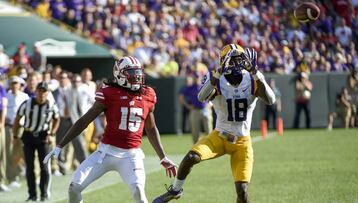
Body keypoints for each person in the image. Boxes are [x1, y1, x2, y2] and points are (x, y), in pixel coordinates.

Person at [43, 56, 177, 203]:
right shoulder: (109, 93)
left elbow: (151, 128)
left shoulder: (148, 94)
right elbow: (84, 121)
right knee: (74, 187)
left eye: (138, 72)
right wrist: (60, 144)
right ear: (119, 74)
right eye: (131, 72)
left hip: (131, 156)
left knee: (139, 192)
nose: (137, 76)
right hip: (105, 153)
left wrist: (163, 157)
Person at [153, 44, 276, 203]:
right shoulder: (216, 79)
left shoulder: (252, 78)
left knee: (242, 192)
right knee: (191, 156)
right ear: (223, 62)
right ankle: (175, 190)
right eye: (231, 60)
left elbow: (270, 100)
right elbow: (201, 97)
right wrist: (217, 74)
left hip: (242, 142)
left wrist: (256, 73)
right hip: (219, 136)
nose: (235, 63)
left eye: (238, 59)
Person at [13, 82, 60, 201]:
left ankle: (44, 193)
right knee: (30, 167)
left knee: (44, 166)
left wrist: (52, 133)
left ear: (48, 93)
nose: (42, 93)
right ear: (36, 91)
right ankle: (32, 195)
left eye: (44, 91)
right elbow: (17, 119)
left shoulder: (51, 105)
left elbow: (57, 119)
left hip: (43, 137)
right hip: (28, 135)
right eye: (40, 90)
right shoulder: (27, 103)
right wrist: (15, 136)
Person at [179, 75, 213, 143]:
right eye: (195, 76)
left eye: (198, 76)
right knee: (195, 132)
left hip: (205, 109)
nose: (197, 78)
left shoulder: (204, 86)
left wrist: (210, 104)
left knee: (209, 131)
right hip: (195, 110)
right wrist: (187, 106)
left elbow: (213, 94)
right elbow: (181, 96)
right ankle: (196, 149)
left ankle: (210, 147)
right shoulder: (190, 87)